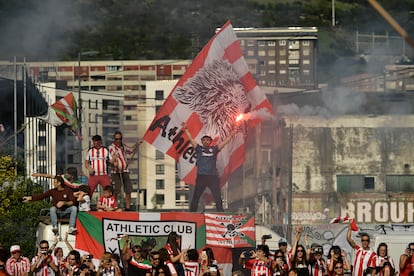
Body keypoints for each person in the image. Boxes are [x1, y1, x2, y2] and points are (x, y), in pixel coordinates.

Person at [182, 123, 237, 212]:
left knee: (217, 195)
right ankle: (192, 213)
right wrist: (186, 130)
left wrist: (231, 135)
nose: (206, 141)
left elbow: (224, 143)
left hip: (213, 177)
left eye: (208, 140)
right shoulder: (199, 149)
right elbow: (191, 140)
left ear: (210, 141)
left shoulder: (214, 149)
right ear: (202, 141)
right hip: (201, 176)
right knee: (196, 196)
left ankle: (220, 213)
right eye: (204, 140)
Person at [108, 131, 141, 211]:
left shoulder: (123, 146)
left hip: (125, 171)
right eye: (117, 139)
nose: (118, 141)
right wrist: (113, 162)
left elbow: (130, 150)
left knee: (128, 189)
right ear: (114, 139)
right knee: (116, 190)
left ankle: (128, 207)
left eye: (120, 139)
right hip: (116, 172)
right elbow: (110, 160)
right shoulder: (111, 148)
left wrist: (137, 144)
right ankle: (114, 206)